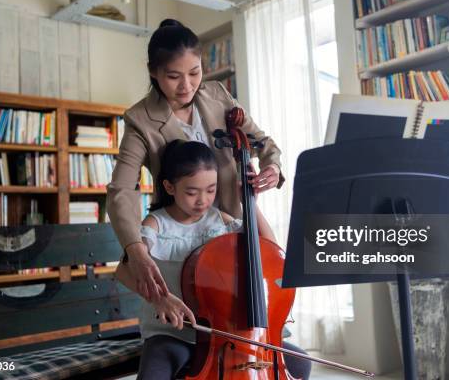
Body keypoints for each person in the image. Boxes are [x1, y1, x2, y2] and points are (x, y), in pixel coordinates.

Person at [107, 18, 284, 304]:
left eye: (194, 72)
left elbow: (261, 142)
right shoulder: (140, 120)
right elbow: (121, 191)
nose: (186, 86)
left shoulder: (218, 95)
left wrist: (272, 166)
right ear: (153, 72)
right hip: (182, 231)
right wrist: (136, 249)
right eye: (173, 76)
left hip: (230, 226)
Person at [116, 140, 311, 379]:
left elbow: (268, 248)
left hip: (223, 335)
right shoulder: (156, 225)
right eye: (191, 192)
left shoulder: (219, 220)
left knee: (300, 364)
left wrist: (249, 203)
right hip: (174, 334)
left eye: (211, 190)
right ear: (169, 187)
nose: (202, 201)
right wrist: (160, 299)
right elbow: (124, 271)